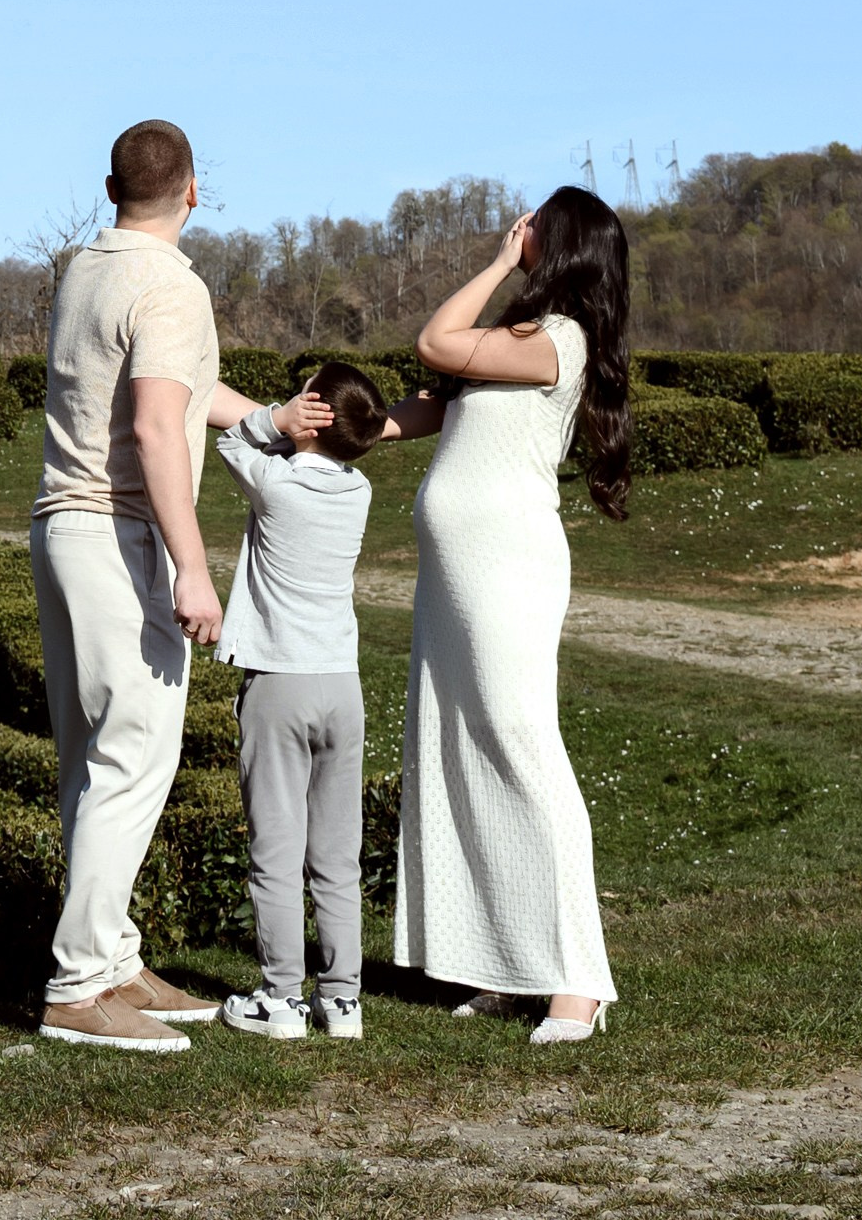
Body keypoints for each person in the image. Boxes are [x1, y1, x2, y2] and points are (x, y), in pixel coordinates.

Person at [381, 186, 632, 1042]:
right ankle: (501, 962)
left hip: (507, 569)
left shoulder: (558, 338)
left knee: (521, 750)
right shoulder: (520, 341)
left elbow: (434, 340)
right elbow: (432, 401)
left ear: (556, 244)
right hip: (457, 574)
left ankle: (576, 981)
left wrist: (493, 264)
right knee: (458, 748)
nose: (518, 232)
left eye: (533, 226)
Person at [32, 117, 228, 1054]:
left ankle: (112, 961)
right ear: (195, 191)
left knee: (91, 759)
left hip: (61, 531)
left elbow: (167, 389)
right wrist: (192, 567)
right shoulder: (172, 285)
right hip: (122, 535)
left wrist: (264, 417)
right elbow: (156, 428)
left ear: (111, 191)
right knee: (135, 756)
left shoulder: (85, 270)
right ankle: (76, 987)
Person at [209, 354, 394, 1043]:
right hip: (342, 688)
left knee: (277, 852)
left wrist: (272, 419)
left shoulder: (276, 482)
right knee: (337, 856)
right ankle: (343, 1001)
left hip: (278, 686)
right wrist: (302, 425)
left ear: (313, 417)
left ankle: (280, 999)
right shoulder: (361, 491)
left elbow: (231, 439)